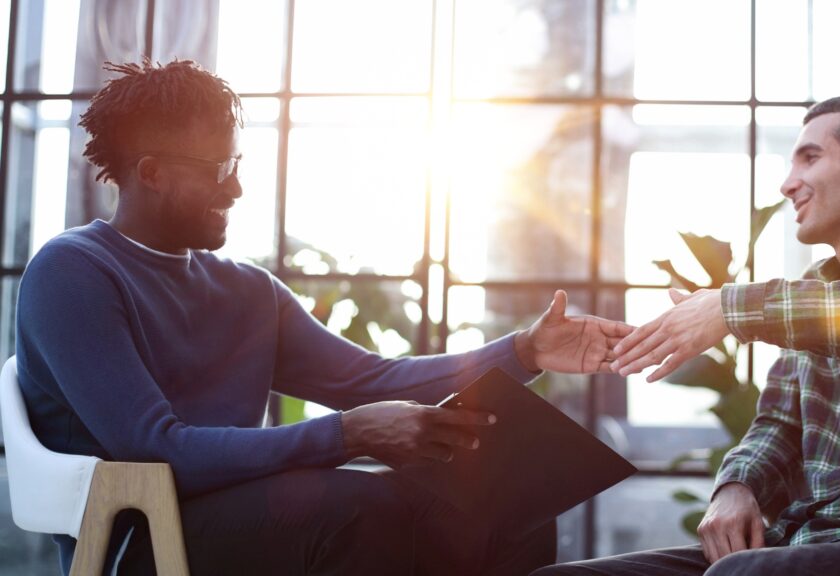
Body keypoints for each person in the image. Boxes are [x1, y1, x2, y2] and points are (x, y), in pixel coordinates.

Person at [15, 59, 633, 576]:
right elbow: (153, 449)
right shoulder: (73, 273)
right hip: (141, 533)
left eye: (238, 165)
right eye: (219, 170)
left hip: (249, 511)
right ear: (151, 173)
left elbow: (371, 381)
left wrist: (523, 351)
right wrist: (347, 435)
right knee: (364, 509)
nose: (236, 190)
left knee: (508, 499)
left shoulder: (249, 290)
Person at [532, 94, 840, 576]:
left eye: (810, 157)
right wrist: (736, 486)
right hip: (804, 539)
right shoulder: (811, 296)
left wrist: (732, 307)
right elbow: (779, 425)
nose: (789, 184)